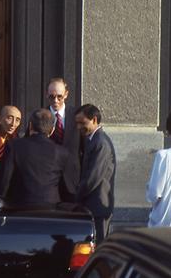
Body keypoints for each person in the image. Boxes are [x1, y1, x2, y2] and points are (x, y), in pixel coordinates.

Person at [0, 108, 70, 206]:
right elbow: (66, 185)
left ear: (30, 126)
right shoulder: (62, 152)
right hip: (51, 208)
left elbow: (4, 180)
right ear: (52, 130)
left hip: (20, 207)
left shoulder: (14, 146)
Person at [75, 104, 116, 243]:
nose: (79, 127)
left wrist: (76, 197)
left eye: (82, 123)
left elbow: (93, 177)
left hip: (98, 206)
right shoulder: (92, 139)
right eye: (77, 123)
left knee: (99, 248)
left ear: (94, 120)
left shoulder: (101, 143)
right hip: (92, 205)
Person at [46, 78, 81, 201]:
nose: (55, 100)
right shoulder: (39, 116)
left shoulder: (77, 116)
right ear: (47, 95)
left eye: (59, 97)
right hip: (48, 180)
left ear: (66, 94)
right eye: (51, 97)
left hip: (72, 180)